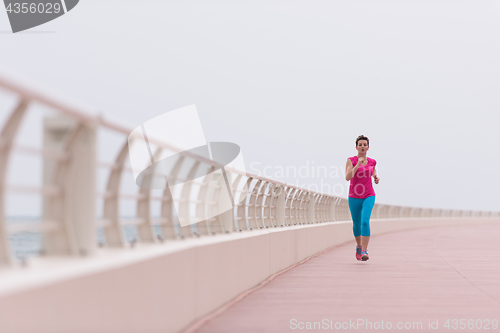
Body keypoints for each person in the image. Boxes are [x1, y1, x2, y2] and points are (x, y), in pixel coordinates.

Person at [345, 135, 379, 261]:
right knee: (357, 224)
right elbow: (347, 177)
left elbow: (373, 170)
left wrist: (375, 177)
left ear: (368, 147)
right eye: (360, 145)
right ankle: (359, 246)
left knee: (365, 221)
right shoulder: (351, 160)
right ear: (356, 147)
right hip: (354, 196)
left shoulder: (372, 161)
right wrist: (357, 164)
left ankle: (365, 250)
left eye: (365, 145)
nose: (363, 147)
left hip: (369, 194)